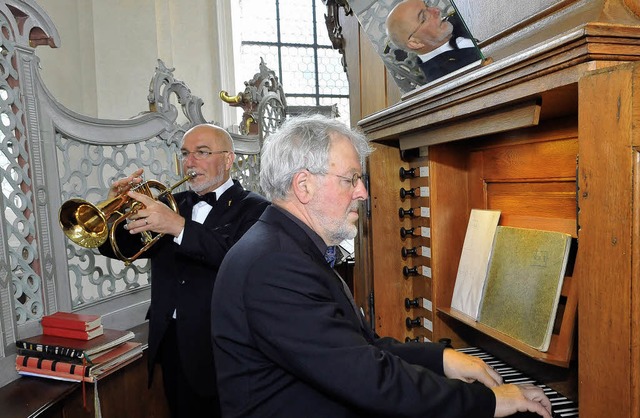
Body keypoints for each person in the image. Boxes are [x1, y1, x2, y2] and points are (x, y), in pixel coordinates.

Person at [211, 115, 552, 418]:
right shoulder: (274, 265)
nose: (362, 192)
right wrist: (489, 401)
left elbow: (361, 348)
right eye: (351, 178)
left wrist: (442, 359)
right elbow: (368, 378)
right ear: (304, 186)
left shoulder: (287, 247)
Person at [99, 124, 269, 418]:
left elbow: (238, 261)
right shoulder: (171, 203)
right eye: (186, 154)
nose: (190, 162)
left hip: (223, 346)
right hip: (173, 342)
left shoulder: (255, 208)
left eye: (202, 153)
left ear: (228, 160)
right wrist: (112, 211)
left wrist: (177, 226)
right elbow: (122, 248)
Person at [386, 0, 483, 83]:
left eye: (427, 6)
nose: (437, 10)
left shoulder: (456, 19)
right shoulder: (447, 77)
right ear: (415, 43)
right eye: (424, 17)